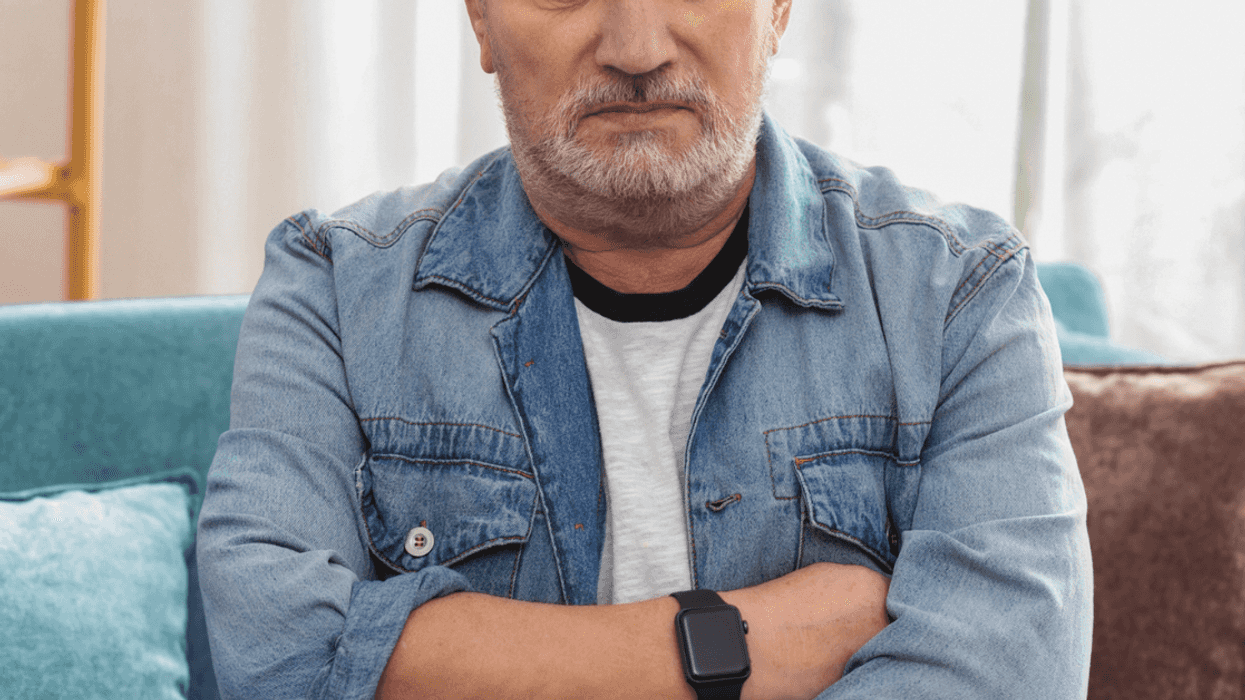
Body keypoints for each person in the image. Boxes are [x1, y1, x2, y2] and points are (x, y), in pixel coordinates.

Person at [196, 1, 1094, 698]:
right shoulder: (332, 287)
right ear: (480, 18)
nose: (635, 48)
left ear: (777, 8)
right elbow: (274, 661)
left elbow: (1007, 677)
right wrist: (729, 645)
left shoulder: (961, 295)